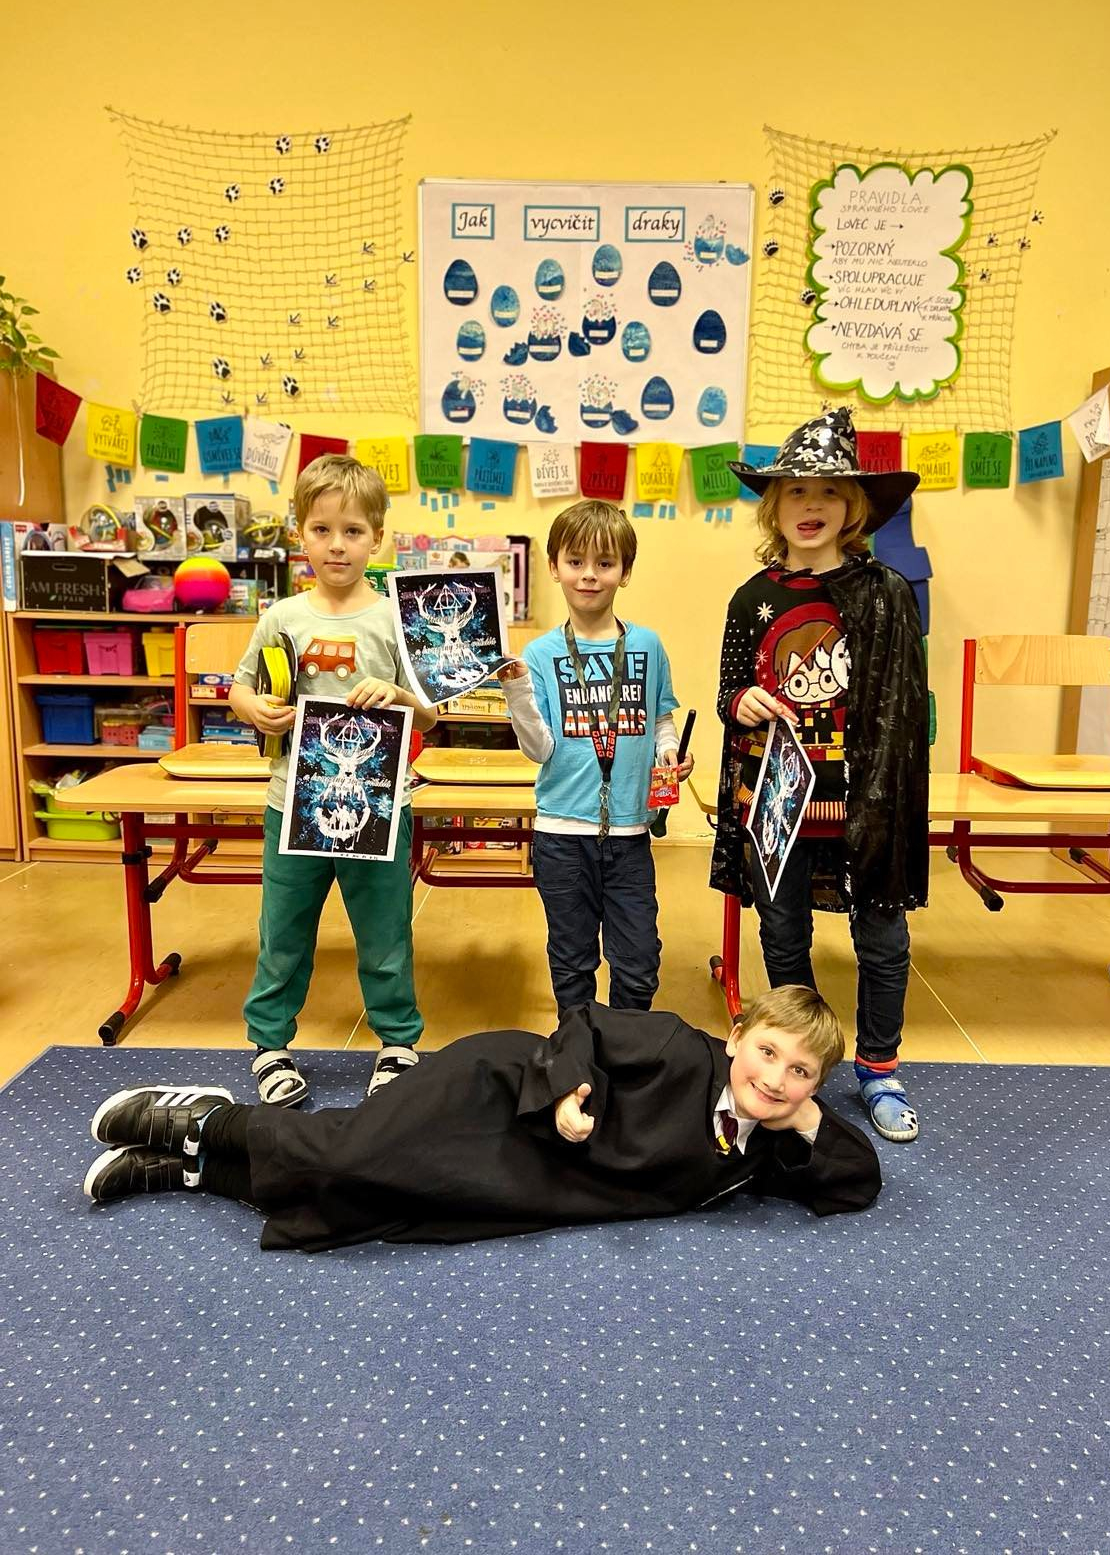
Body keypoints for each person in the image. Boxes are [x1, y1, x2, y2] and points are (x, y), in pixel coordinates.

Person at [81, 986, 881, 1248]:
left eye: (800, 1074)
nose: (774, 1079)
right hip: (504, 1091)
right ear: (737, 1035)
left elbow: (856, 1182)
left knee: (368, 1200)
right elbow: (583, 1025)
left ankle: (191, 1173)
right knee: (354, 1150)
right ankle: (206, 1122)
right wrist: (569, 1093)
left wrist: (808, 1124)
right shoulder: (680, 1047)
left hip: (529, 1179)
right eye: (767, 1052)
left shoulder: (767, 1144)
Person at [714, 409, 929, 1144]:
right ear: (774, 506)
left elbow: (904, 706)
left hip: (862, 801)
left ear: (854, 507)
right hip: (777, 804)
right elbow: (729, 690)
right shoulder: (755, 597)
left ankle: (879, 1068)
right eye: (797, 492)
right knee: (783, 936)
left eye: (831, 492)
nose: (812, 505)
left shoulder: (886, 592)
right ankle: (793, 1063)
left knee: (883, 939)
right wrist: (741, 702)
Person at [228, 454, 438, 1107]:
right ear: (300, 534)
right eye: (322, 530)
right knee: (283, 930)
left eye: (352, 531)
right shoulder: (281, 616)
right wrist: (254, 709)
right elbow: (238, 687)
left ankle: (397, 1042)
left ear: (378, 537)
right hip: (292, 803)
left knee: (385, 932)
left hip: (378, 806)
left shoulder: (396, 619)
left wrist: (399, 696)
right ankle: (269, 1043)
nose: (337, 545)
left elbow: (431, 712)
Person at [498, 500, 693, 1014]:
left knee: (639, 963)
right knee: (572, 961)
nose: (589, 575)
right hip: (562, 835)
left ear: (624, 572)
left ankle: (627, 1048)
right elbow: (539, 749)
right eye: (576, 561)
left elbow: (661, 720)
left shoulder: (647, 645)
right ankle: (578, 1048)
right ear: (554, 566)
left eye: (605, 563)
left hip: (629, 836)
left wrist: (669, 753)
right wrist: (517, 693)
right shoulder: (540, 654)